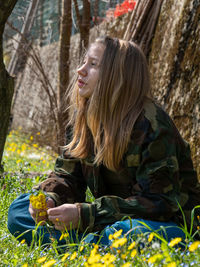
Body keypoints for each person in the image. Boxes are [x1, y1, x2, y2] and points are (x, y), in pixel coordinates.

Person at [7, 36, 200, 246]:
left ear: (117, 77)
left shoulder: (152, 124)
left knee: (130, 232)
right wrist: (50, 197)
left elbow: (159, 204)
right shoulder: (84, 118)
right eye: (84, 62)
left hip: (170, 225)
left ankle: (83, 246)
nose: (80, 70)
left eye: (93, 64)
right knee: (20, 210)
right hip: (110, 221)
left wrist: (86, 214)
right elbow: (67, 175)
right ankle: (91, 246)